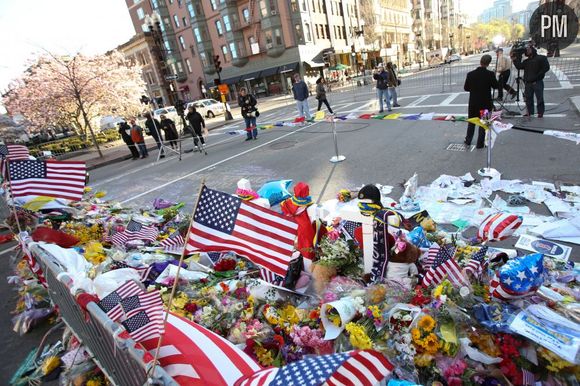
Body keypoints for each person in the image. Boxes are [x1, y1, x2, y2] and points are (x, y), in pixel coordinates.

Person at [463, 54, 499, 149]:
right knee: (483, 123)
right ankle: (480, 143)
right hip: (485, 103)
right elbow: (496, 86)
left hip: (473, 103)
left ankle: (468, 140)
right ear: (488, 63)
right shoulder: (490, 74)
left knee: (472, 122)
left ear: (480, 61)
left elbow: (466, 88)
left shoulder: (470, 74)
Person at [512, 44, 550, 118]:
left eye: (529, 49)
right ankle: (530, 112)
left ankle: (540, 113)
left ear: (533, 50)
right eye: (527, 50)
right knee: (528, 99)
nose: (527, 50)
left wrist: (539, 75)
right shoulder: (526, 61)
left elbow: (546, 67)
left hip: (537, 82)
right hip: (528, 83)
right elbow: (519, 66)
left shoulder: (541, 58)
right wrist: (515, 59)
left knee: (539, 98)